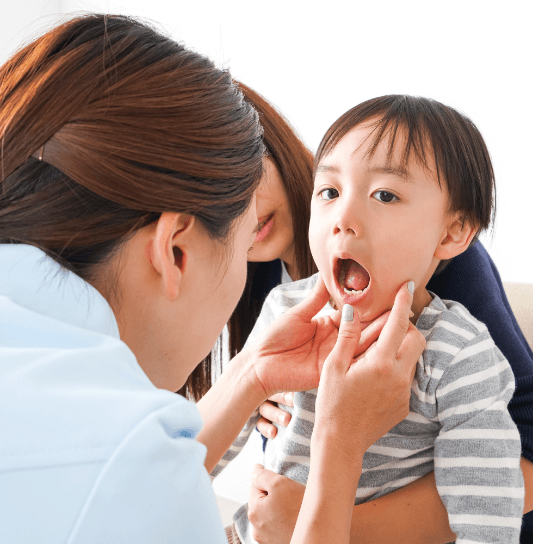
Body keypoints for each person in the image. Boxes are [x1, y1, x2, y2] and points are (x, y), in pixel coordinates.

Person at [0, 14, 427, 544]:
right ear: (175, 250)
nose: (346, 221)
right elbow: (137, 476)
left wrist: (253, 373)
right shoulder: (129, 460)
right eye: (244, 237)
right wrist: (339, 445)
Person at [214, 95, 526, 544]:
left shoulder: (459, 350)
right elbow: (209, 444)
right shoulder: (283, 309)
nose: (344, 218)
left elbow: (487, 513)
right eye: (330, 192)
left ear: (452, 232)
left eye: (385, 194)